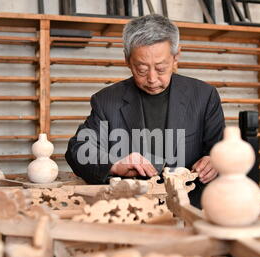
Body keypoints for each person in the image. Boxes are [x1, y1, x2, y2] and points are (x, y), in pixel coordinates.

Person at [65, 14, 225, 208]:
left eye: (161, 68)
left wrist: (215, 160)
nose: (151, 78)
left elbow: (221, 149)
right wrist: (114, 165)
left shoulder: (203, 96)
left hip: (192, 208)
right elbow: (78, 150)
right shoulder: (107, 101)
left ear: (176, 57)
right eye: (141, 69)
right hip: (132, 211)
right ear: (127, 60)